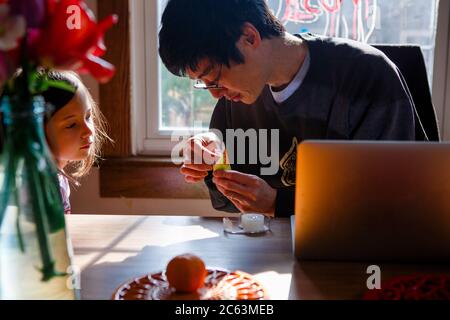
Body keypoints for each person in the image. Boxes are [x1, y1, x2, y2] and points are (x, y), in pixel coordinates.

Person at [158, 0, 418, 217]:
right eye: (203, 84)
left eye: (213, 76)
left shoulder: (365, 76)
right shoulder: (238, 97)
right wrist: (211, 160)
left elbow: (386, 205)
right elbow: (228, 201)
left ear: (249, 37)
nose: (215, 94)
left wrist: (277, 204)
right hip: (271, 255)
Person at [42, 71, 110, 214]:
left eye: (88, 116)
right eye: (72, 125)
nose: (89, 131)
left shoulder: (57, 179)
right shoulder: (38, 189)